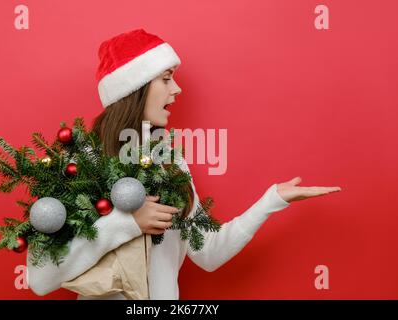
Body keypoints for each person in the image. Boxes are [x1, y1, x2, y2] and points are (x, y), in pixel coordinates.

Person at [26, 28, 342, 299]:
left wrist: (273, 199)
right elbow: (40, 279)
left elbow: (209, 253)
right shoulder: (80, 161)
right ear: (133, 89)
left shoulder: (171, 164)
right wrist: (129, 223)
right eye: (166, 79)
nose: (177, 89)